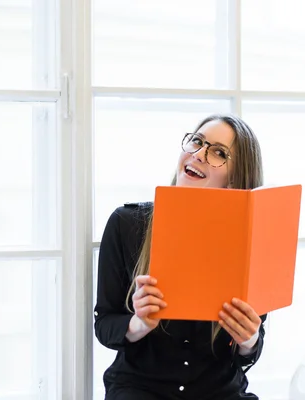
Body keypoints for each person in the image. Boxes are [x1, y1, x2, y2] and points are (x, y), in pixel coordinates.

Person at [94, 114, 267, 400]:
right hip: (140, 390)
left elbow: (249, 351)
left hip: (220, 393)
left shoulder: (251, 238)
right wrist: (139, 324)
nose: (198, 154)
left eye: (219, 153)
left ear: (235, 178)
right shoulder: (126, 223)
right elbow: (105, 325)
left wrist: (248, 338)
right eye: (197, 142)